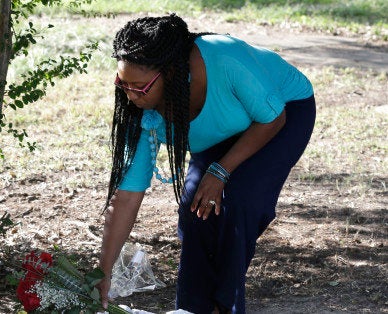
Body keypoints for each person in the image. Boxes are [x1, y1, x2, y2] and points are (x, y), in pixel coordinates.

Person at [98, 14, 315, 313]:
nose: (130, 96)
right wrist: (103, 273)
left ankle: (224, 307)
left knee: (238, 202)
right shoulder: (141, 110)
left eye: (140, 87)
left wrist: (221, 169)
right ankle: (192, 309)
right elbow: (127, 196)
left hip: (281, 113)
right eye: (123, 84)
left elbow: (272, 118)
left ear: (171, 72)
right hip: (223, 129)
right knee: (195, 209)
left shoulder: (225, 59)